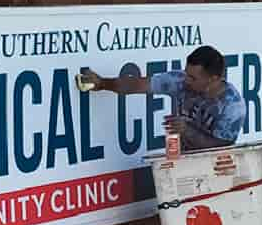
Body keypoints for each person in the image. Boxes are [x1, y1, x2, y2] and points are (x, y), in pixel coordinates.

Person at [79, 45, 246, 152]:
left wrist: (187, 130)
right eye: (186, 73)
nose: (186, 80)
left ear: (214, 79)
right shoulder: (180, 81)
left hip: (214, 169)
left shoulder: (232, 106)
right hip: (180, 161)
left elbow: (222, 148)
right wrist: (102, 83)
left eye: (193, 78)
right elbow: (138, 85)